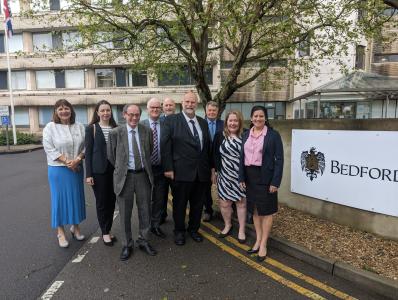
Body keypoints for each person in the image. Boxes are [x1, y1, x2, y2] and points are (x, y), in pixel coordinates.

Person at [161, 91, 212, 246]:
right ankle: (179, 232)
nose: (190, 105)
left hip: (201, 173)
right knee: (180, 205)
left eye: (193, 102)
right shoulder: (171, 120)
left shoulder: (203, 122)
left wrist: (211, 170)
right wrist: (168, 168)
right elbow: (165, 145)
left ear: (197, 104)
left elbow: (207, 148)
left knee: (197, 205)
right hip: (180, 171)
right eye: (187, 102)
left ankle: (194, 230)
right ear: (182, 103)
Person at [108, 104, 157, 261]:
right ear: (124, 115)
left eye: (137, 115)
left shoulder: (146, 131)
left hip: (143, 176)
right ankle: (127, 244)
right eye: (131, 115)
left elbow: (149, 150)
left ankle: (143, 240)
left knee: (145, 211)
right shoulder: (115, 133)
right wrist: (123, 168)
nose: (134, 118)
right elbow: (111, 156)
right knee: (125, 213)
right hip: (125, 177)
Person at [239, 105, 284, 262]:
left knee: (267, 211)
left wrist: (275, 182)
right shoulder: (245, 135)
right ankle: (258, 240)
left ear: (266, 118)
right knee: (256, 211)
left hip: (266, 178)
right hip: (250, 178)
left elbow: (279, 160)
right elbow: (241, 158)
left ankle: (264, 244)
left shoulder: (273, 135)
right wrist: (241, 177)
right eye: (255, 116)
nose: (258, 118)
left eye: (261, 116)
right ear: (251, 118)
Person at [42, 99, 86, 248]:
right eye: (60, 109)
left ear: (71, 110)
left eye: (66, 108)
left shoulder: (79, 126)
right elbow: (49, 148)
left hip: (77, 168)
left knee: (75, 198)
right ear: (55, 112)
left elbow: (87, 146)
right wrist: (68, 161)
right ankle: (60, 231)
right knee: (59, 200)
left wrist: (78, 160)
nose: (64, 111)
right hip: (58, 169)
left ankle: (75, 227)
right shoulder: (50, 127)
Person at [85, 100, 118, 246]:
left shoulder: (116, 128)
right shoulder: (91, 128)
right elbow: (88, 152)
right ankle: (104, 232)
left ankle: (108, 229)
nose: (105, 113)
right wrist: (88, 175)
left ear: (111, 112)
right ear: (97, 113)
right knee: (102, 202)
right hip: (98, 172)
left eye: (108, 110)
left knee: (111, 202)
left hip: (114, 171)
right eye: (102, 110)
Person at [212, 110, 246, 243]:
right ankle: (228, 225)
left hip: (240, 176)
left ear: (240, 122)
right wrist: (213, 172)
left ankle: (241, 229)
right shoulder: (219, 136)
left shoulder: (246, 135)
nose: (233, 123)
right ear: (226, 122)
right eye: (230, 120)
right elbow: (214, 155)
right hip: (224, 175)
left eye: (235, 120)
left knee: (241, 204)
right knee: (224, 204)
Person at [141, 98, 167, 238]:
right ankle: (145, 226)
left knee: (159, 199)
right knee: (145, 198)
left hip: (161, 168)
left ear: (161, 109)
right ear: (147, 109)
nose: (155, 109)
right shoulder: (140, 125)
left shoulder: (166, 124)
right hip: (145, 169)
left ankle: (155, 225)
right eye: (152, 107)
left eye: (158, 107)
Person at [203, 101, 224, 222]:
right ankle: (208, 210)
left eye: (214, 111)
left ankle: (227, 210)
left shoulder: (224, 124)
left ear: (217, 112)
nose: (211, 112)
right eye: (210, 110)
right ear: (206, 111)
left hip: (220, 162)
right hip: (205, 163)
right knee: (206, 188)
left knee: (224, 186)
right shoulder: (200, 124)